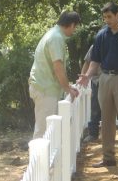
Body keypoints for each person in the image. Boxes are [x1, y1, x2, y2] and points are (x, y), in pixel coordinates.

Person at [77, 2, 118, 170]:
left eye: (109, 17)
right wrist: (87, 75)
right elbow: (95, 61)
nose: (107, 20)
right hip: (105, 78)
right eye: (104, 17)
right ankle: (108, 157)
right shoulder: (101, 35)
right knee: (106, 120)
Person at [29, 11, 80, 139]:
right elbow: (58, 68)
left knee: (49, 130)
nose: (74, 31)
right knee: (43, 131)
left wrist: (66, 86)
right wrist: (67, 89)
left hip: (43, 87)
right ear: (72, 25)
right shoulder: (56, 38)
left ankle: (41, 159)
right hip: (45, 89)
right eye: (76, 27)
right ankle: (37, 159)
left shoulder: (53, 34)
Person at [81, 45, 102, 142]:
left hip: (112, 81)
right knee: (95, 108)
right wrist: (83, 77)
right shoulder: (95, 46)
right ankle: (93, 134)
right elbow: (87, 62)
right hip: (97, 81)